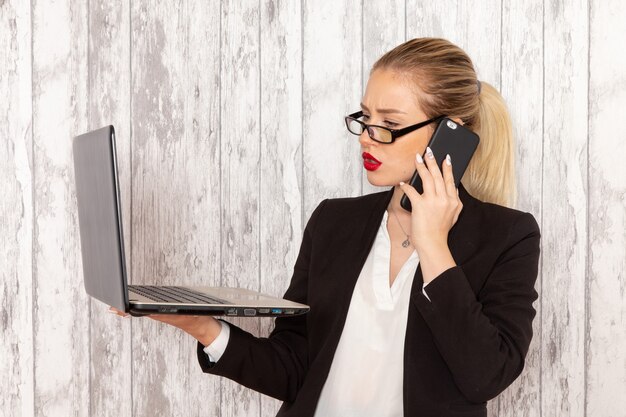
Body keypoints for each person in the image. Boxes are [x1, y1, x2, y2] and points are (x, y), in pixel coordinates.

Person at [112, 37, 540, 417]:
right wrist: (200, 326)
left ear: (452, 135)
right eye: (366, 116)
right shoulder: (334, 222)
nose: (367, 137)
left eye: (390, 124)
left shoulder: (507, 236)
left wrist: (432, 244)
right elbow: (295, 368)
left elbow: (487, 376)